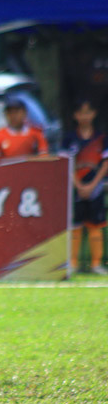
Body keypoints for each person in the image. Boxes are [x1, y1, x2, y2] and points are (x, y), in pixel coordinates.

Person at [62, 99, 108, 274]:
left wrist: (93, 184)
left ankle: (96, 264)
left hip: (95, 187)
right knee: (75, 225)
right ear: (75, 115)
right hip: (75, 188)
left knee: (96, 225)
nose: (85, 116)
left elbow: (105, 163)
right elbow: (66, 162)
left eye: (88, 112)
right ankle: (72, 263)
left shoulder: (101, 138)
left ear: (94, 114)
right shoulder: (69, 138)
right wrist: (79, 185)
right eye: (81, 113)